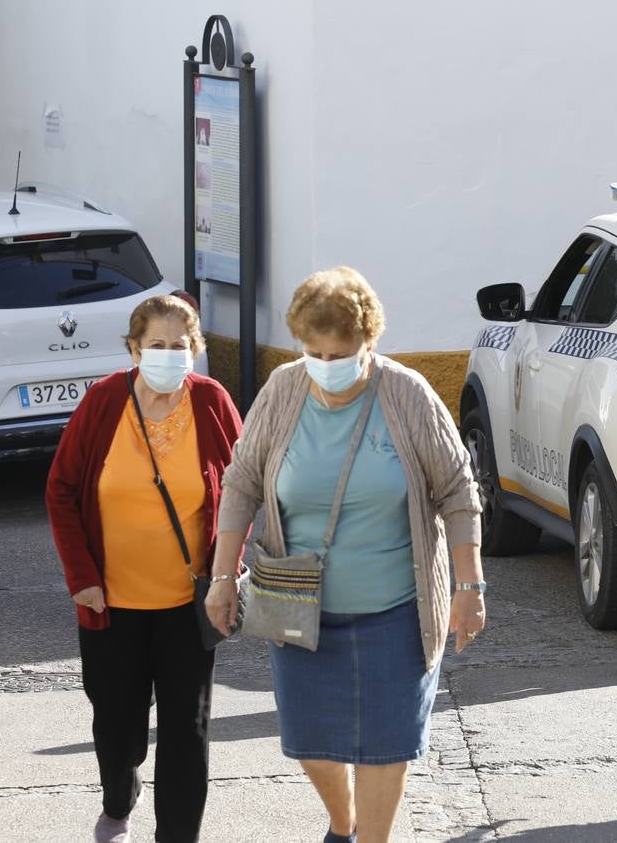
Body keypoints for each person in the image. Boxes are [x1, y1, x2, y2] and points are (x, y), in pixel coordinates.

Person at [206, 267, 486, 843]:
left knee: (386, 747)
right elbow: (241, 484)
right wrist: (221, 577)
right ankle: (344, 821)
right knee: (310, 741)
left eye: (342, 352)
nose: (327, 363)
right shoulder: (283, 391)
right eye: (314, 351)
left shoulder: (406, 394)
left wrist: (469, 588)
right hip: (298, 608)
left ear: (369, 342)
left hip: (395, 611)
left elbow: (459, 492)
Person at [47, 294, 243, 842]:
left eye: (179, 346)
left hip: (191, 604)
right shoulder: (104, 401)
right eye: (156, 345)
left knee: (187, 732)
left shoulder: (211, 402)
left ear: (195, 350)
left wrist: (227, 574)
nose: (167, 355)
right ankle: (118, 798)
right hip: (109, 604)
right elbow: (61, 489)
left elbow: (243, 491)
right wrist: (82, 577)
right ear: (134, 349)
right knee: (117, 730)